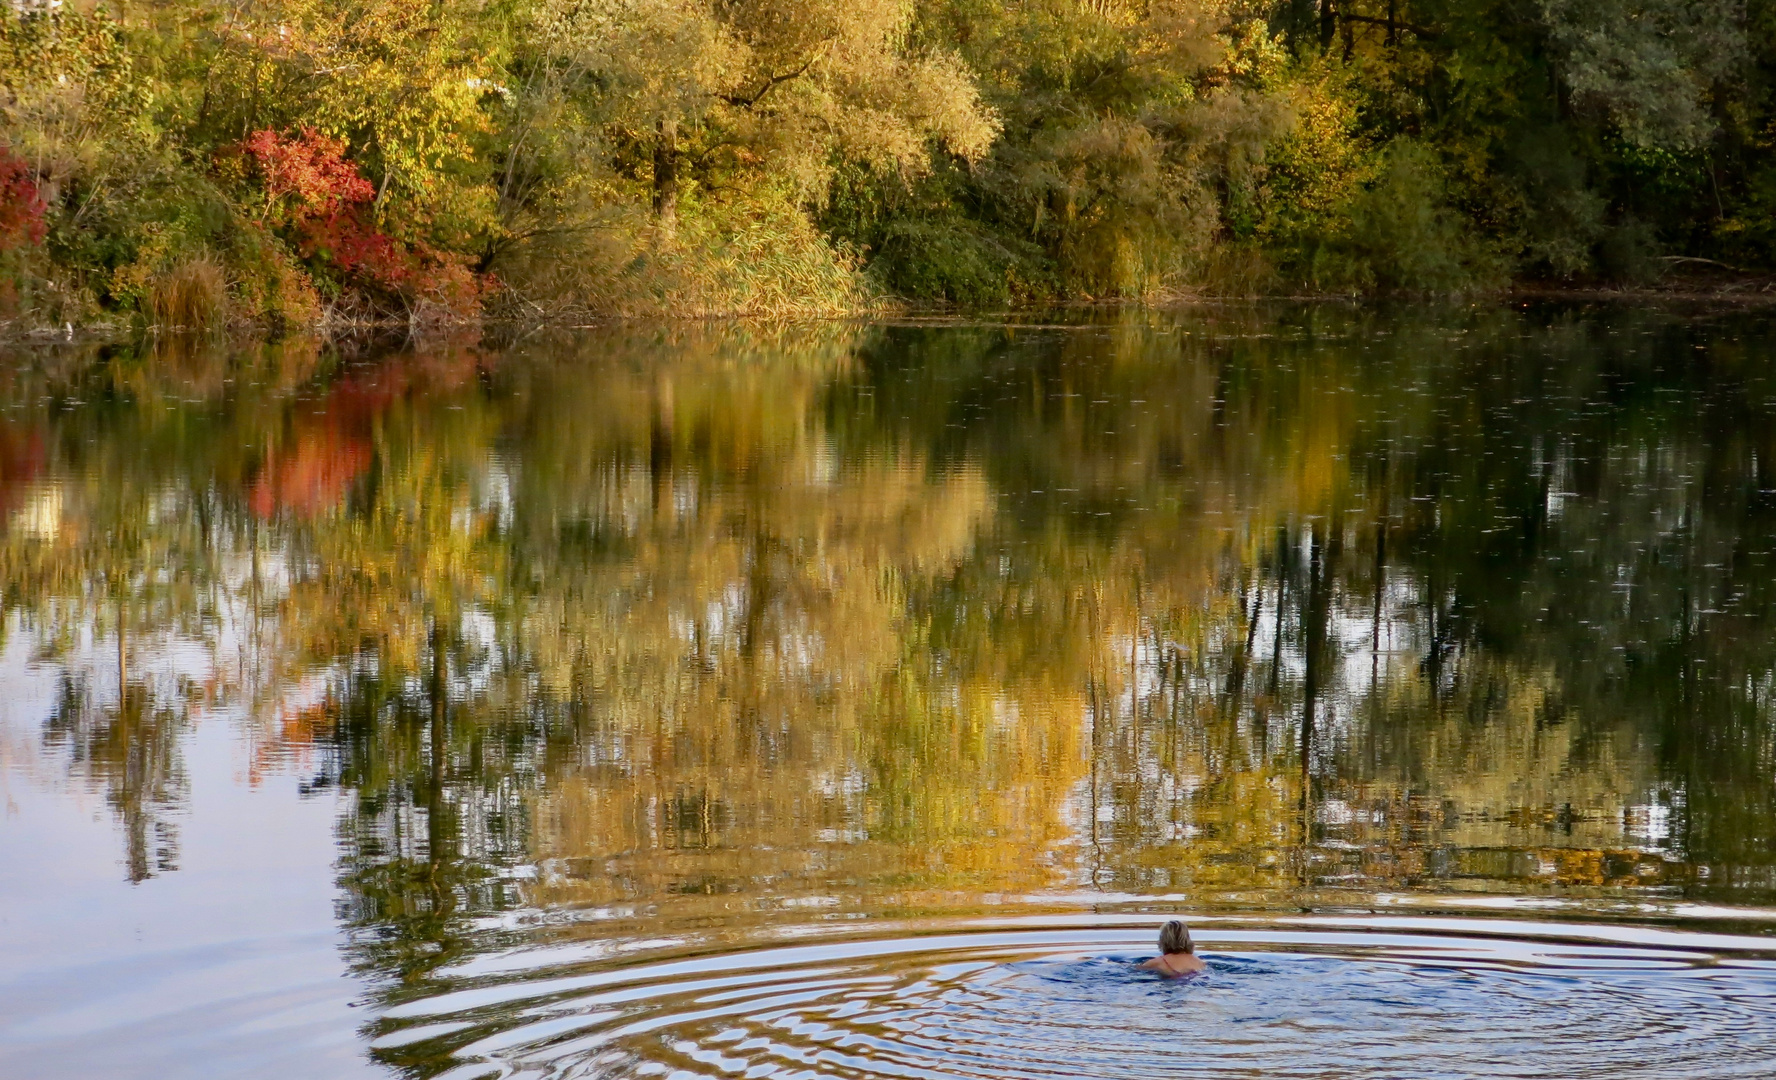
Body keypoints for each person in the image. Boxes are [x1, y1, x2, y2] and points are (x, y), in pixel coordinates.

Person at [1138, 919, 1207, 977]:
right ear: (1187, 939)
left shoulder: (1157, 962)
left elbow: (1137, 970)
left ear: (1163, 940)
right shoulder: (1200, 963)